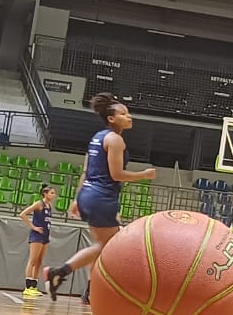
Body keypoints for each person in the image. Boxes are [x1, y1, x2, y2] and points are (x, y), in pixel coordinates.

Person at [43, 94, 155, 300]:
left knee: (101, 246)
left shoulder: (97, 137)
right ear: (111, 118)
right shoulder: (115, 139)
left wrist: (78, 198)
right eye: (123, 113)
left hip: (89, 194)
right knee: (105, 246)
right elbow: (117, 175)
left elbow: (86, 171)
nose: (129, 116)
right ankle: (58, 272)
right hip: (102, 198)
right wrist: (144, 175)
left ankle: (90, 292)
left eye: (128, 112)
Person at [19, 184, 57, 298]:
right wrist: (33, 227)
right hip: (37, 236)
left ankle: (34, 287)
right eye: (52, 193)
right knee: (33, 261)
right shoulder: (39, 204)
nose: (54, 195)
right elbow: (23, 214)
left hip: (45, 236)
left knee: (39, 262)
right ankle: (27, 287)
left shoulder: (49, 205)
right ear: (45, 194)